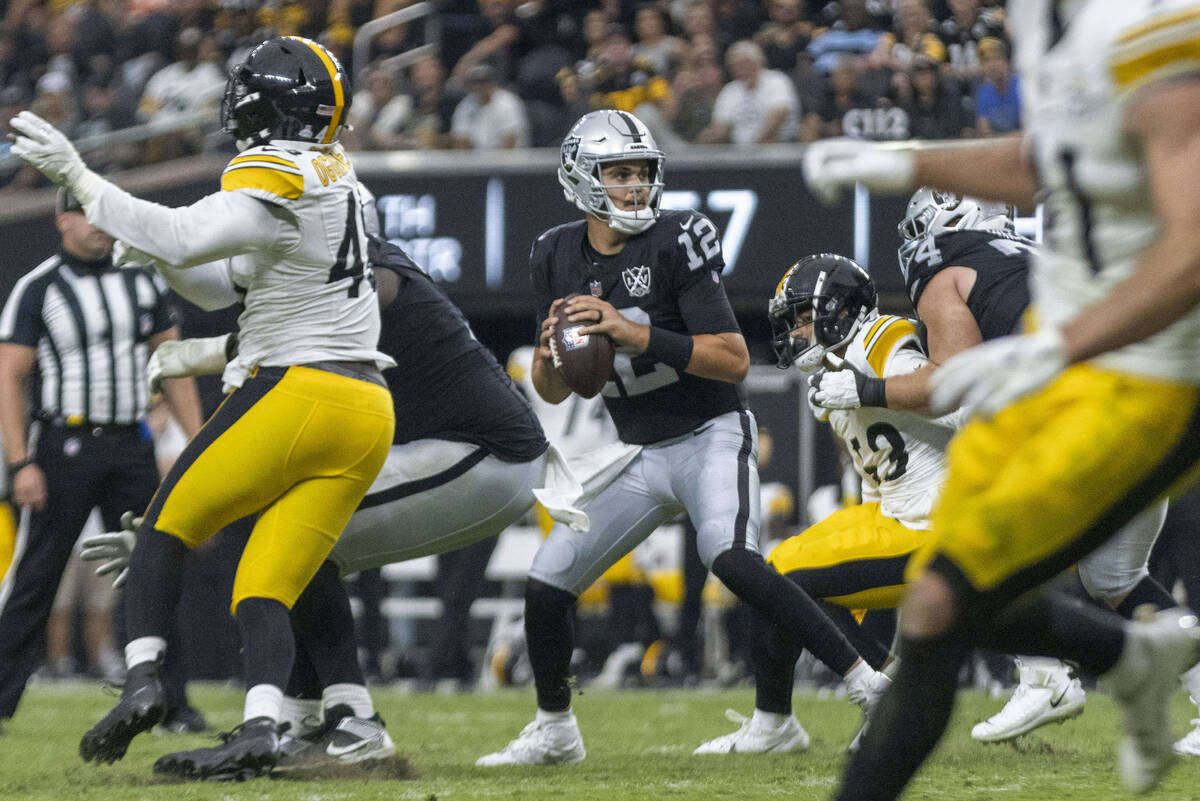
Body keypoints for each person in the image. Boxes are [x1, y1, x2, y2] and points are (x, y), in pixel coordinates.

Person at [802, 0, 1200, 796]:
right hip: (1073, 368)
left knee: (942, 603)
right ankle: (1133, 657)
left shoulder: (1148, 20)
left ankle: (1132, 658)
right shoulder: (1042, 24)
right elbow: (1054, 158)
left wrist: (1059, 342)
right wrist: (911, 161)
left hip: (1151, 372)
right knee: (939, 600)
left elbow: (1193, 242)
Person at [10, 36, 397, 781]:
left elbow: (187, 237)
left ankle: (145, 674)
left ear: (261, 102)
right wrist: (147, 250)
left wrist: (83, 180)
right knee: (264, 584)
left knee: (164, 525)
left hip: (300, 390)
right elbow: (225, 285)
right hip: (366, 410)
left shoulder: (277, 166)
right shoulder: (343, 180)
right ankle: (260, 726)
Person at [475, 109, 891, 767]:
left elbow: (733, 359)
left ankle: (869, 682)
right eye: (619, 172)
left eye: (642, 171)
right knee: (546, 581)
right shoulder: (553, 253)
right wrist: (553, 355)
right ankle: (555, 726)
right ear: (582, 177)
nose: (635, 185)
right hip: (639, 452)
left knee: (731, 555)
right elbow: (557, 391)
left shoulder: (677, 240)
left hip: (710, 434)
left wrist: (634, 332)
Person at [84, 232, 559, 771]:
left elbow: (349, 310)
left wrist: (175, 527)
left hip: (488, 455)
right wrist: (172, 528)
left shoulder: (364, 272)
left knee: (292, 543)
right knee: (296, 547)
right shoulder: (323, 296)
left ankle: (344, 720)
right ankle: (311, 720)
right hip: (466, 456)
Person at [694, 253, 960, 754]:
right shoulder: (836, 372)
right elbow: (878, 480)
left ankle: (876, 694)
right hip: (895, 514)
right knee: (775, 574)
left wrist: (869, 390)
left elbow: (962, 406)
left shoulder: (883, 344)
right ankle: (782, 719)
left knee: (787, 581)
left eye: (801, 317)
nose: (794, 332)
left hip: (937, 523)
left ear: (839, 311)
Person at [0, 188, 205, 732]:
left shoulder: (141, 279)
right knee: (37, 576)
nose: (100, 226)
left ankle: (173, 704)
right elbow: (9, 375)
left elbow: (173, 363)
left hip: (131, 443)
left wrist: (200, 443)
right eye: (88, 215)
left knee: (155, 566)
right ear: (62, 220)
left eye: (106, 215)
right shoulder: (39, 287)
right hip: (64, 444)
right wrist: (21, 462)